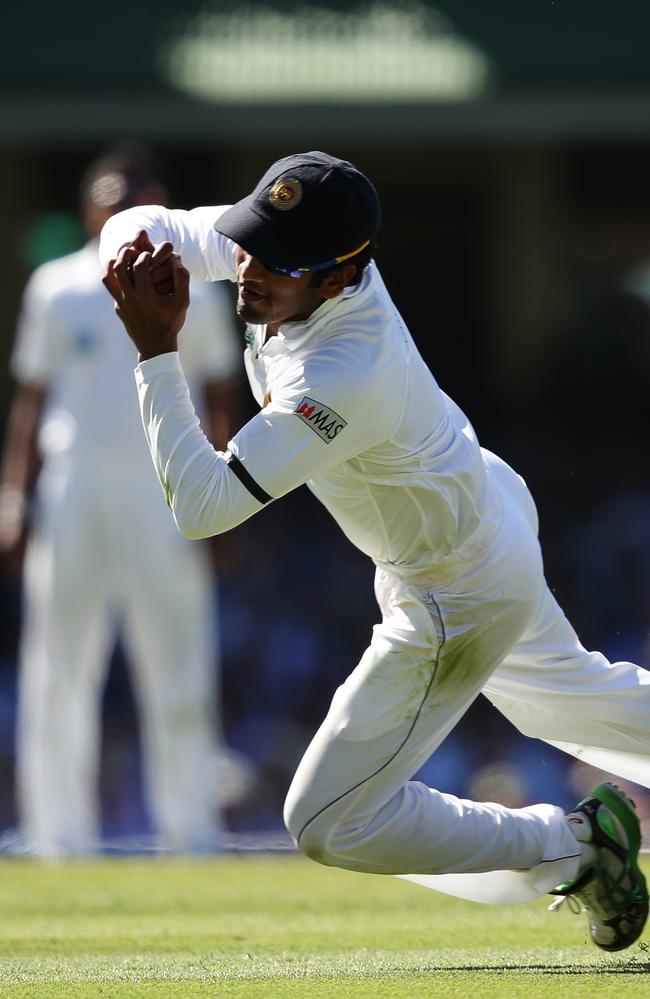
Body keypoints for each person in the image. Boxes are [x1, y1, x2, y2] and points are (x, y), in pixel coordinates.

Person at [100, 150, 649, 950]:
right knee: (566, 700)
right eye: (251, 241)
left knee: (326, 820)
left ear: (336, 279)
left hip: (455, 587)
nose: (248, 271)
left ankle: (575, 846)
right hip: (478, 509)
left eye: (277, 263)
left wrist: (156, 351)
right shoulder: (291, 254)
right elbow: (160, 226)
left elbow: (205, 506)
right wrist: (128, 249)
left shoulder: (345, 368)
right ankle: (588, 843)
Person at [0, 146, 242, 856]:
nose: (123, 207)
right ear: (88, 208)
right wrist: (14, 497)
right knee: (58, 664)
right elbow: (31, 400)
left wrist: (224, 494)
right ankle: (56, 834)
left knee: (177, 658)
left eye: (139, 196)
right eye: (112, 196)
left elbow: (222, 391)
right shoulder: (56, 285)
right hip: (74, 483)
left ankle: (191, 830)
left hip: (164, 484)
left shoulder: (186, 281)